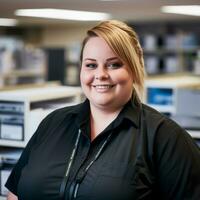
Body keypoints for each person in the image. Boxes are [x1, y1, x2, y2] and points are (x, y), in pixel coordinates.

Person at [6, 20, 200, 200]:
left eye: (114, 64)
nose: (100, 75)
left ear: (134, 69)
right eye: (91, 65)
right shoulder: (53, 123)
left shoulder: (165, 137)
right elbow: (14, 194)